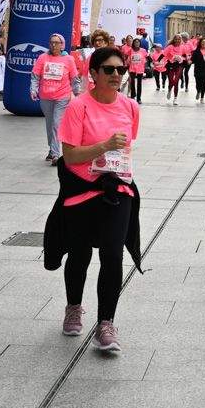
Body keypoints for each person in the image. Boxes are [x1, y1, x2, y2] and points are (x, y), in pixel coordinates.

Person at [46, 45, 142, 355]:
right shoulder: (78, 107)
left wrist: (114, 161)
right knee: (79, 255)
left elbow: (125, 150)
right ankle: (74, 306)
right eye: (110, 70)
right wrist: (102, 146)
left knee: (113, 254)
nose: (117, 75)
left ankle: (106, 323)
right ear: (94, 74)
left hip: (116, 189)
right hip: (81, 189)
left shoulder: (131, 107)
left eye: (120, 70)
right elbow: (71, 155)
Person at [32, 33, 82, 165]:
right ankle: (51, 148)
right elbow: (35, 76)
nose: (54, 45)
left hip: (62, 96)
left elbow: (74, 79)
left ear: (62, 45)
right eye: (51, 42)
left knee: (56, 124)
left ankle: (55, 154)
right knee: (50, 124)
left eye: (56, 42)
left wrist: (77, 94)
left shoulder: (69, 59)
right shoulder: (43, 58)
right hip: (46, 96)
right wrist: (33, 89)